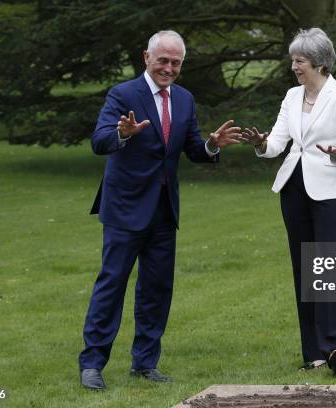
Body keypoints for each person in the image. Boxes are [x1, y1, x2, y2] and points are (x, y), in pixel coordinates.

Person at [79, 30, 241, 390]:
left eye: (176, 62)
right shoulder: (123, 94)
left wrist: (211, 145)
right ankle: (92, 364)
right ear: (146, 58)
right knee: (112, 285)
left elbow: (193, 148)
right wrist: (124, 133)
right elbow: (99, 141)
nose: (169, 68)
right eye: (163, 60)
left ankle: (145, 363)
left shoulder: (184, 99)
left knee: (156, 290)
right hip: (124, 209)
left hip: (164, 211)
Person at [240, 28, 336, 376]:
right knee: (303, 268)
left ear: (320, 63)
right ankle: (314, 352)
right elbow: (277, 143)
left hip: (331, 190)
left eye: (300, 61)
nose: (294, 66)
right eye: (293, 60)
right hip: (294, 188)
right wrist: (261, 144)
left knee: (327, 267)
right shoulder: (292, 97)